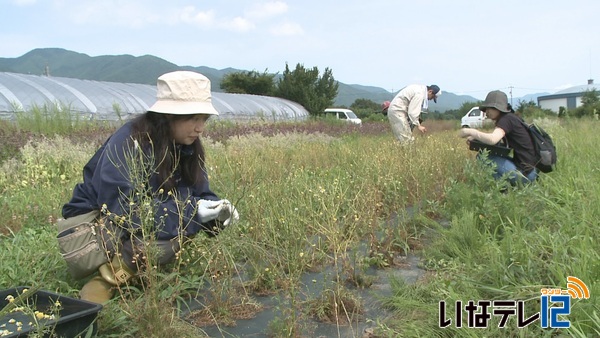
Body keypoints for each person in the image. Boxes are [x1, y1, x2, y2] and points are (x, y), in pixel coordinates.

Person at [60, 71, 239, 303]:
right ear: (167, 116)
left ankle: (135, 266)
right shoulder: (130, 141)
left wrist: (216, 210)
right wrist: (192, 213)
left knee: (179, 226)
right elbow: (125, 209)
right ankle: (107, 280)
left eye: (204, 119)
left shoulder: (186, 146)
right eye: (192, 118)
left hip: (136, 215)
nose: (199, 128)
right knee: (163, 241)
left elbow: (199, 193)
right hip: (96, 220)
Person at [459, 90, 538, 186]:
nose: (486, 112)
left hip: (526, 175)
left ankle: (502, 188)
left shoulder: (506, 120)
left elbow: (493, 139)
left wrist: (470, 131)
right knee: (489, 154)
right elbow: (501, 145)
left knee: (482, 157)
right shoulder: (511, 118)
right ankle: (505, 186)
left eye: (489, 108)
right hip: (531, 171)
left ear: (498, 108)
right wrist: (477, 140)